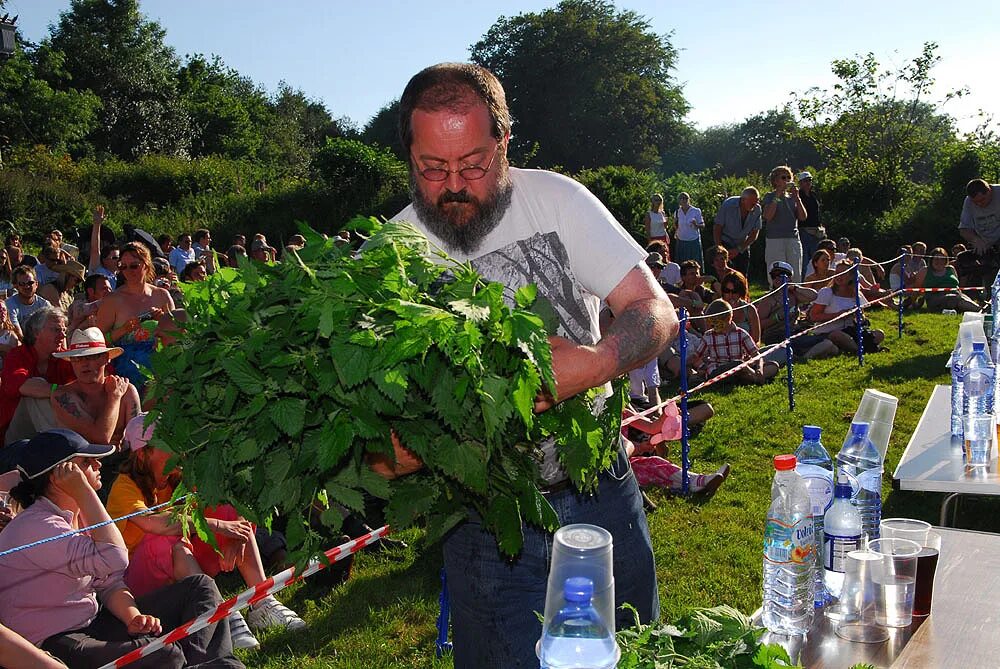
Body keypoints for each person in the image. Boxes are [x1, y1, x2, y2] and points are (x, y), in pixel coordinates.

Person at [379, 62, 675, 668]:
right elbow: (367, 438)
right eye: (432, 169)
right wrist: (397, 454)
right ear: (408, 156)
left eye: (475, 165)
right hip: (481, 523)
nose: (454, 186)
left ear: (505, 143)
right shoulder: (388, 257)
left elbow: (655, 312)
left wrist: (592, 364)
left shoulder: (558, 202)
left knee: (628, 654)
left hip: (598, 494)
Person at [0, 429, 244, 668]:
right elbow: (115, 558)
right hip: (55, 642)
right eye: (87, 461)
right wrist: (84, 492)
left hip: (94, 620)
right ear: (59, 476)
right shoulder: (37, 525)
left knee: (199, 588)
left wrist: (133, 616)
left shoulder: (78, 515)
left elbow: (109, 581)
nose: (98, 465)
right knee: (165, 656)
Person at [106, 415, 306, 651]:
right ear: (142, 454)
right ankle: (219, 614)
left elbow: (232, 501)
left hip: (178, 566)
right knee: (166, 538)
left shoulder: (179, 475)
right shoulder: (123, 486)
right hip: (139, 586)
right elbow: (154, 524)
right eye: (168, 443)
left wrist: (236, 536)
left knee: (226, 511)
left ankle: (263, 602)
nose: (179, 449)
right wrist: (218, 526)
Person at [95, 243, 175, 395]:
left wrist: (163, 320)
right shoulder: (112, 301)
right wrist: (124, 330)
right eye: (123, 266)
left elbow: (178, 334)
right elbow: (98, 342)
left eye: (134, 266)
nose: (128, 271)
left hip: (162, 370)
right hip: (128, 375)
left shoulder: (162, 295)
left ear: (146, 265)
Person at [50, 328, 140, 451]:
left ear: (106, 358)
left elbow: (139, 440)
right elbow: (101, 440)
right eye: (77, 358)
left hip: (120, 463)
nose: (84, 363)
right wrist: (114, 398)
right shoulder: (63, 396)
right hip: (82, 467)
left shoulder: (127, 391)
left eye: (91, 356)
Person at [0, 307, 74, 445]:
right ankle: (65, 447)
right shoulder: (17, 355)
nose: (63, 336)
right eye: (56, 330)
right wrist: (60, 390)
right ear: (36, 332)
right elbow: (18, 385)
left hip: (46, 434)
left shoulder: (63, 358)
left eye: (64, 331)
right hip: (15, 438)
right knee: (36, 392)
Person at [755, 261, 837, 359]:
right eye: (774, 276)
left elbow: (814, 295)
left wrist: (794, 287)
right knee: (826, 344)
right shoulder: (768, 299)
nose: (777, 279)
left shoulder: (793, 294)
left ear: (789, 278)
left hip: (794, 333)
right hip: (776, 336)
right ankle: (803, 356)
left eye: (781, 275)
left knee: (830, 345)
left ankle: (801, 355)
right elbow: (758, 324)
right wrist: (777, 318)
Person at [691, 299, 778, 385]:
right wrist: (702, 367)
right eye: (710, 322)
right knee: (738, 364)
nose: (712, 325)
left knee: (773, 366)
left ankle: (749, 377)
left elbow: (756, 354)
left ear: (728, 318)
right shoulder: (708, 336)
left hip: (741, 369)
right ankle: (755, 378)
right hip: (719, 371)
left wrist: (759, 368)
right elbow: (696, 356)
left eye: (716, 322)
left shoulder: (741, 334)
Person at [809, 260, 886, 354]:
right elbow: (814, 316)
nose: (839, 276)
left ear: (851, 276)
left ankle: (857, 347)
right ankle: (861, 350)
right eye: (837, 273)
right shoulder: (827, 292)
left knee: (880, 334)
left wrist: (858, 316)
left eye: (843, 274)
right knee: (837, 335)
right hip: (829, 332)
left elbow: (862, 319)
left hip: (851, 331)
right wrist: (839, 315)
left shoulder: (856, 294)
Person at [762, 166, 807, 283]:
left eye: (788, 177)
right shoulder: (770, 197)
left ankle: (795, 296)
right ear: (776, 181)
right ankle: (776, 296)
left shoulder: (793, 198)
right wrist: (778, 195)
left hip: (792, 238)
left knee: (795, 272)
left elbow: (803, 217)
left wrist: (797, 199)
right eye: (783, 177)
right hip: (775, 239)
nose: (786, 180)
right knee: (776, 272)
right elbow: (768, 216)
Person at [958, 178, 1000, 291]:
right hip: (986, 247)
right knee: (990, 282)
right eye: (975, 202)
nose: (979, 204)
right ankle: (991, 304)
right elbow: (964, 229)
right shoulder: (968, 202)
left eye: (982, 200)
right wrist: (975, 240)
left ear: (989, 191)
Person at [713, 187, 761, 278]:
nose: (754, 205)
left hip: (742, 244)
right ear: (743, 200)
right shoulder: (728, 205)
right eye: (752, 202)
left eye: (757, 201)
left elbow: (754, 233)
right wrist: (720, 249)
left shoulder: (757, 209)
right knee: (724, 275)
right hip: (725, 241)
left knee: (742, 277)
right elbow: (717, 227)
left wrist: (739, 249)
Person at [915, 247, 980, 313]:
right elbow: (916, 288)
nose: (939, 261)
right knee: (955, 298)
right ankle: (980, 310)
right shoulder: (925, 270)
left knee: (963, 298)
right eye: (936, 259)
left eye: (942, 259)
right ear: (931, 260)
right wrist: (913, 303)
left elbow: (957, 286)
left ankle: (981, 309)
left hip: (956, 294)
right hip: (935, 297)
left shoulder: (951, 269)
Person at [5, 266, 51, 332]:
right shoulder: (9, 305)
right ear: (16, 286)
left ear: (36, 284)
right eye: (22, 284)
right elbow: (16, 332)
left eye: (30, 283)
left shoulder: (44, 305)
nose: (27, 286)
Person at [719, 270, 760, 343]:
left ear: (741, 292)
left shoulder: (749, 310)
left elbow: (756, 339)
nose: (730, 295)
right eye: (727, 291)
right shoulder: (715, 309)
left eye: (735, 291)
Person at [796, 171, 824, 278]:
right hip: (804, 231)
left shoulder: (814, 195)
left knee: (817, 259)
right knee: (805, 261)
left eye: (809, 180)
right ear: (801, 183)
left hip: (816, 231)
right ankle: (805, 282)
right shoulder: (798, 196)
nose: (808, 183)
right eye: (805, 181)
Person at [87, 206, 119, 290]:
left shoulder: (121, 277)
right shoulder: (97, 268)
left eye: (119, 257)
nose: (118, 260)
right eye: (114, 258)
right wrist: (97, 224)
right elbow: (95, 249)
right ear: (104, 260)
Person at [672, 192, 705, 267]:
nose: (684, 200)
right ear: (679, 200)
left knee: (694, 263)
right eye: (681, 198)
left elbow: (702, 225)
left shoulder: (696, 211)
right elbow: (676, 225)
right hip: (681, 240)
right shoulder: (677, 212)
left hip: (693, 240)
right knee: (682, 264)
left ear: (689, 199)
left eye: (686, 198)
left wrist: (696, 225)